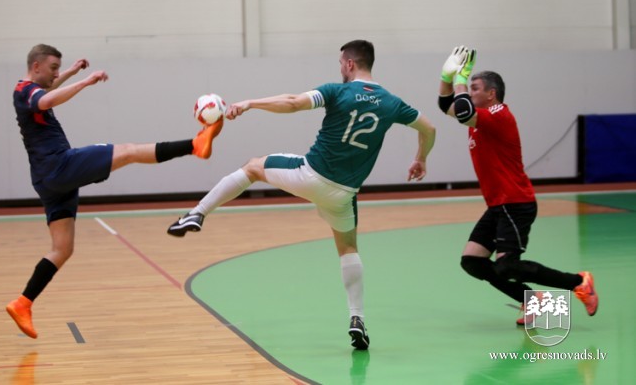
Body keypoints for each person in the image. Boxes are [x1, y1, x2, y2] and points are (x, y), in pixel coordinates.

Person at [167, 39, 437, 350]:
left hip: (310, 175)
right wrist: (421, 158)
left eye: (341, 63)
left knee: (253, 167)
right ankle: (357, 318)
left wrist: (251, 103)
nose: (340, 68)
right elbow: (429, 129)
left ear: (350, 64)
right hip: (344, 194)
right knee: (348, 247)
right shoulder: (392, 103)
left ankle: (197, 213)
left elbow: (294, 102)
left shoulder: (338, 92)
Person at [7, 44, 223, 339]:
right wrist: (85, 81)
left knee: (62, 249)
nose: (56, 74)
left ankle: (23, 303)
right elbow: (46, 99)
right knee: (129, 151)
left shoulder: (29, 90)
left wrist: (71, 72)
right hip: (59, 165)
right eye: (53, 68)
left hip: (48, 180)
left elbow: (49, 90)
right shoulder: (25, 91)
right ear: (35, 66)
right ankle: (195, 145)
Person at [437, 46, 598, 325]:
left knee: (507, 266)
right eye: (469, 88)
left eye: (475, 88)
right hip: (498, 205)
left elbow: (461, 111)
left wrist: (461, 77)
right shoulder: (479, 118)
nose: (470, 92)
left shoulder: (498, 114)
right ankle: (530, 300)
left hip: (514, 202)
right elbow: (446, 106)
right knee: (472, 261)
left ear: (491, 94)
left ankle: (578, 282)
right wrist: (445, 76)